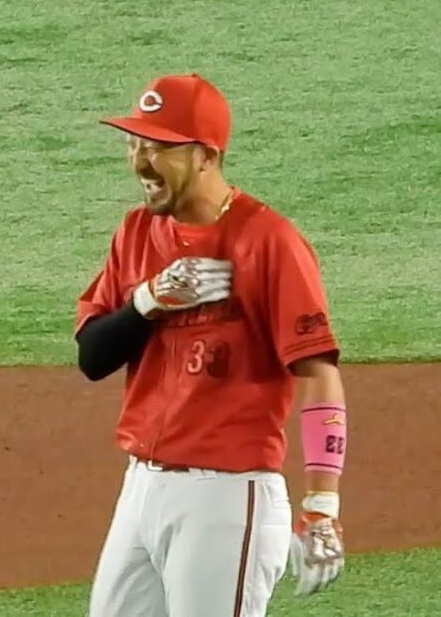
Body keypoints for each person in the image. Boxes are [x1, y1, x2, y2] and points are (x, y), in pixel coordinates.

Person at [74, 73, 348, 616]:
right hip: (141, 489)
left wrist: (321, 504)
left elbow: (319, 374)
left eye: (158, 147)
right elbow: (92, 356)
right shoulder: (135, 232)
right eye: (135, 144)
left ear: (205, 155)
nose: (140, 162)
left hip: (226, 497)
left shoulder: (269, 242)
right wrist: (149, 301)